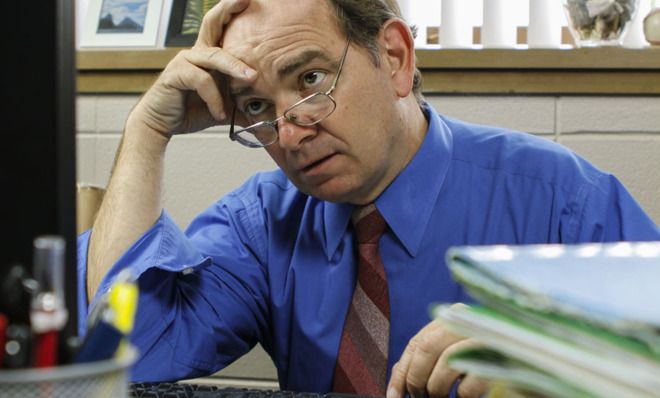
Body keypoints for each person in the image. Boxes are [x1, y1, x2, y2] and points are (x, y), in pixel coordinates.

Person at [78, 0, 660, 397]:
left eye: (309, 79)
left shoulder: (560, 201)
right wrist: (147, 131)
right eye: (256, 106)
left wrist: (548, 348)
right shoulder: (263, 222)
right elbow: (126, 356)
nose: (288, 131)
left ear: (397, 58)